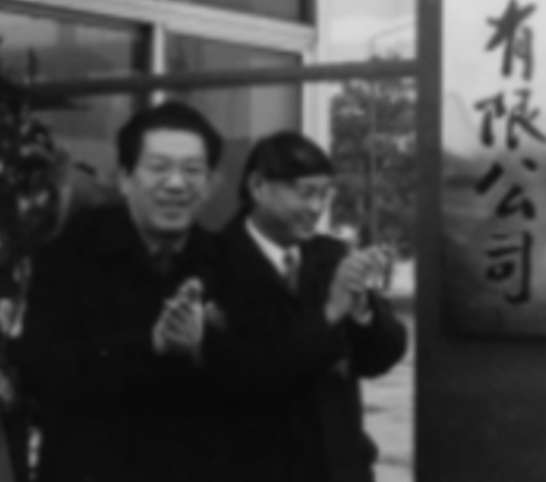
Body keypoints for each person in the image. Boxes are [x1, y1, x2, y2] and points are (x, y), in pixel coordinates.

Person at [14, 101, 225, 482]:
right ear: (125, 179)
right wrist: (151, 345)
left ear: (210, 184)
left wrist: (202, 349)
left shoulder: (228, 263)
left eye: (192, 170)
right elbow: (41, 373)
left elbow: (258, 388)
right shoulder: (68, 257)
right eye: (158, 168)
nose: (176, 184)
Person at [201, 131, 408, 482]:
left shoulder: (330, 255)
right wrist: (330, 313)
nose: (316, 208)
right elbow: (253, 374)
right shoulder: (214, 263)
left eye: (325, 194)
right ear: (258, 186)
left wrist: (361, 312)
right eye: (305, 193)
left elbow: (381, 358)